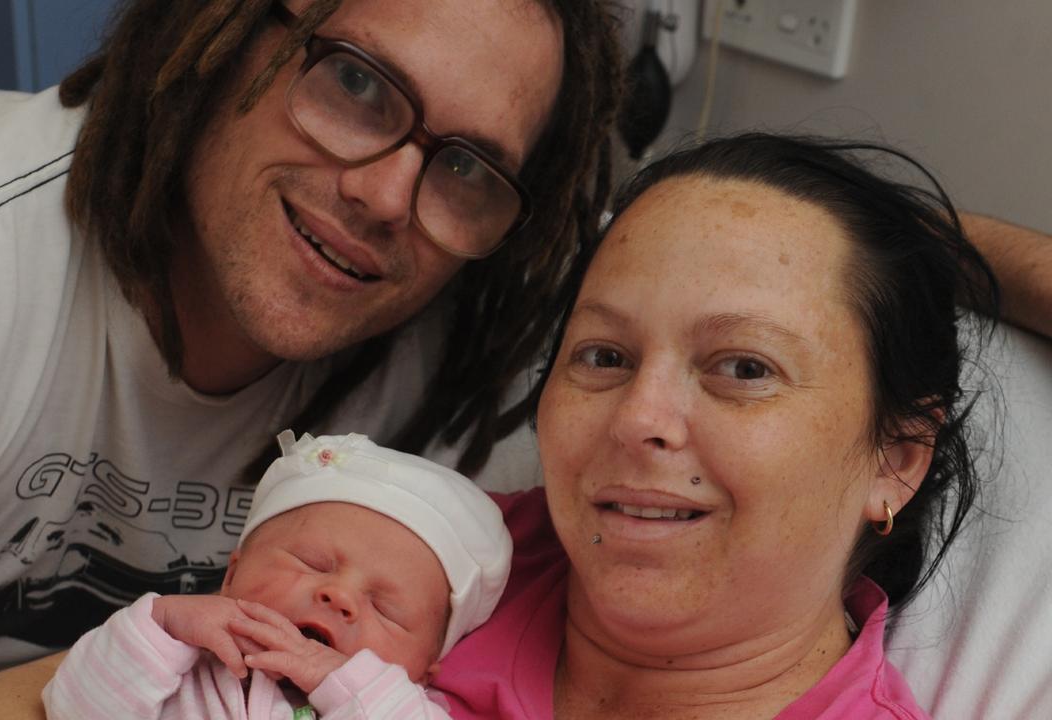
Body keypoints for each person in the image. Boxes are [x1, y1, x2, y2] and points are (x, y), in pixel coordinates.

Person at [0, 0, 624, 717]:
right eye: (356, 80)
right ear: (223, 27)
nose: (386, 197)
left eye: (468, 168)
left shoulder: (464, 367)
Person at [427, 134, 1000, 718]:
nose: (637, 419)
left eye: (745, 368)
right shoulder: (419, 550)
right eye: (605, 357)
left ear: (895, 459)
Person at [43, 430, 510, 719]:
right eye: (311, 563)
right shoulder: (181, 666)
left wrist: (352, 687)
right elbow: (71, 709)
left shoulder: (399, 709)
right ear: (233, 574)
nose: (339, 596)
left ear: (423, 673)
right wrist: (159, 627)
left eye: (387, 609)